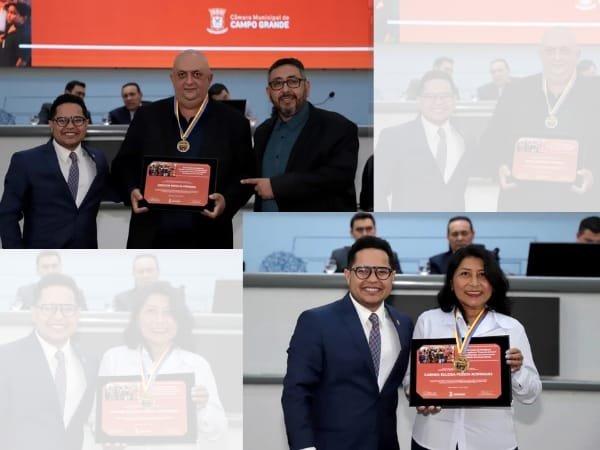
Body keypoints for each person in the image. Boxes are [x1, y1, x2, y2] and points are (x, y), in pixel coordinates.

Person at [110, 50, 254, 248]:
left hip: (210, 238)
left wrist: (227, 201)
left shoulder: (235, 123)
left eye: (197, 74)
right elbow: (123, 164)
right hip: (151, 239)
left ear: (209, 78)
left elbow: (245, 175)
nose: (189, 81)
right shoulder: (147, 117)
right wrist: (131, 189)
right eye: (181, 75)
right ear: (172, 78)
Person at [404, 244, 542, 450]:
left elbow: (531, 395)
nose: (474, 283)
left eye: (483, 275)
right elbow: (410, 378)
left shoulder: (511, 328)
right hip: (433, 440)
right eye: (465, 274)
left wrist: (517, 370)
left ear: (493, 283)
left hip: (491, 442)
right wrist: (416, 394)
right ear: (451, 282)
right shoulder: (429, 321)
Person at [282, 236, 413, 450]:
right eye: (363, 271)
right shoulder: (316, 322)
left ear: (392, 277)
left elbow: (406, 377)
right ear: (347, 275)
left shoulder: (404, 324)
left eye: (382, 271)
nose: (373, 279)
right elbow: (296, 392)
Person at [480, 27, 600, 211]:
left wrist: (595, 174)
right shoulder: (516, 91)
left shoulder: (595, 92)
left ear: (577, 55)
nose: (557, 57)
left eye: (564, 50)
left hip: (579, 204)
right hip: (522, 202)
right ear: (540, 54)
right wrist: (499, 167)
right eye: (550, 51)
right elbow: (490, 141)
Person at [97, 281, 227, 448]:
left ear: (179, 320)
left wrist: (204, 406)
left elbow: (218, 435)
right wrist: (109, 435)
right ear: (137, 316)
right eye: (151, 311)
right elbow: (97, 419)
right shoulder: (114, 359)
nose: (160, 320)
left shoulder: (197, 365)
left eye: (168, 312)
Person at [242, 57, 359, 212]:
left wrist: (277, 187)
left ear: (306, 87)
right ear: (268, 93)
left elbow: (338, 177)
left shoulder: (339, 128)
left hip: (313, 231)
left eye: (292, 81)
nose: (285, 90)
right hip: (266, 229)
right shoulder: (263, 132)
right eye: (277, 83)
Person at [0, 273, 98, 450]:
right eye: (48, 308)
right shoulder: (5, 359)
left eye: (67, 308)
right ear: (34, 312)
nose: (58, 316)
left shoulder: (90, 363)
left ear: (78, 313)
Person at [0, 94, 110, 248]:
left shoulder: (98, 159)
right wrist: (17, 258)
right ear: (51, 124)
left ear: (86, 124)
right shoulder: (25, 161)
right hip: (42, 261)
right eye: (62, 120)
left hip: (86, 258)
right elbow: (7, 214)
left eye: (77, 120)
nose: (70, 126)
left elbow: (112, 191)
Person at [376, 70, 478, 211]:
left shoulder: (467, 139)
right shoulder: (394, 137)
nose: (438, 101)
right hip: (409, 230)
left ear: (455, 99)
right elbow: (377, 191)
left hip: (454, 230)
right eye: (430, 96)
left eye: (445, 95)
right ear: (419, 100)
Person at [328, 212, 402, 273]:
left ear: (375, 230)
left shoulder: (390, 255)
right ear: (351, 233)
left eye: (369, 229)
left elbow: (399, 284)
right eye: (359, 230)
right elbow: (327, 281)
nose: (365, 234)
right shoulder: (338, 256)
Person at [428, 216, 499, 274]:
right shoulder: (437, 262)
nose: (460, 238)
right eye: (454, 234)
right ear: (448, 237)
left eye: (464, 233)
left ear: (472, 235)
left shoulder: (490, 258)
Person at [0, 2, 30, 67]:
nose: (8, 15)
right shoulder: (10, 28)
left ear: (24, 17)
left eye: (13, 13)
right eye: (8, 12)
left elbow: (23, 59)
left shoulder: (24, 34)